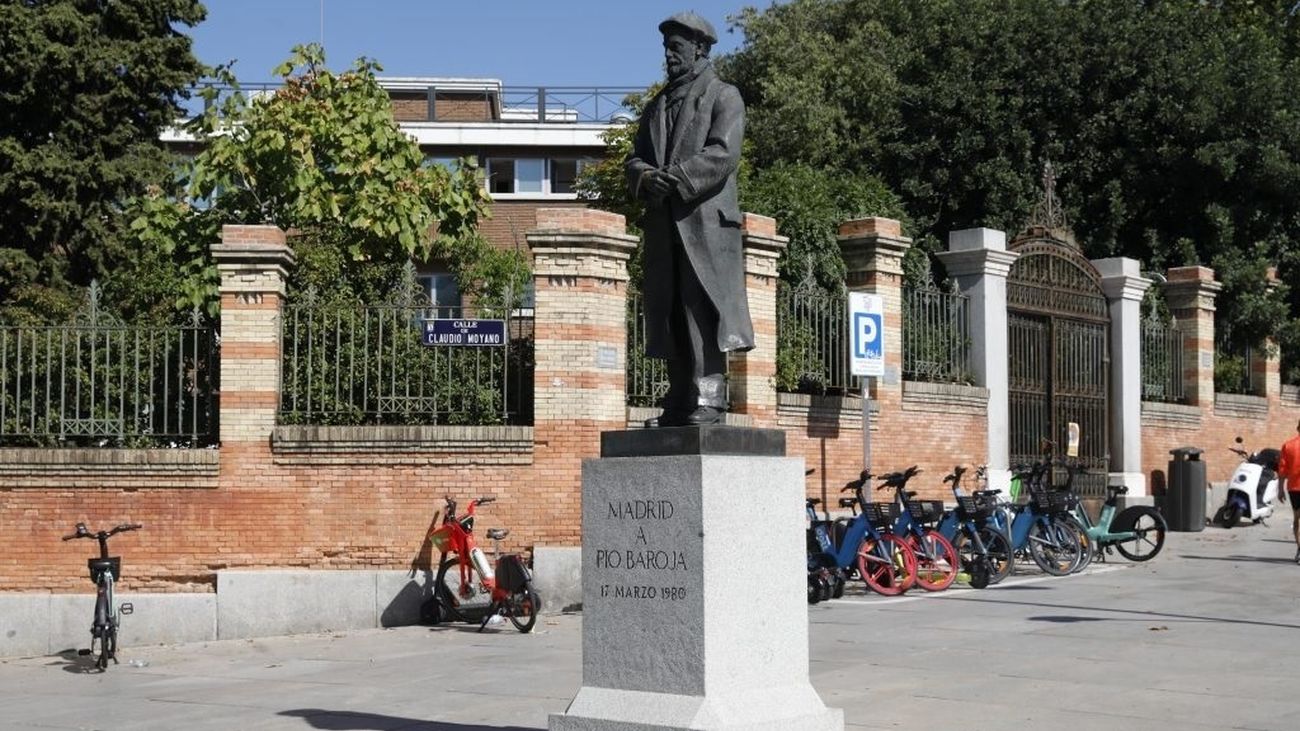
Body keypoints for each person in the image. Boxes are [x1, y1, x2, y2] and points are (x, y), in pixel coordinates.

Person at [626, 11, 753, 427]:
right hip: (665, 227)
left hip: (706, 225)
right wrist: (646, 177)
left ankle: (711, 398)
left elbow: (723, 154)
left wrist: (676, 179)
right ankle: (679, 397)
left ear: (699, 49)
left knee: (701, 310)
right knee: (669, 313)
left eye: (676, 48)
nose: (669, 56)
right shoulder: (656, 106)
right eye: (666, 49)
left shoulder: (723, 96)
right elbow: (635, 159)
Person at [1278, 420, 1300, 563]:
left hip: (1294, 488)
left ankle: (1299, 549)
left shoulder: (1288, 445)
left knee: (1297, 519)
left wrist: (1280, 489)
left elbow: (1282, 470)